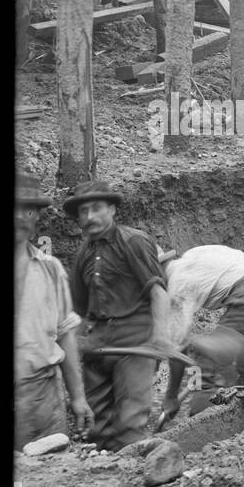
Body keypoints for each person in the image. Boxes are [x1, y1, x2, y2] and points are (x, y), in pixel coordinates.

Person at [65, 180, 170, 451]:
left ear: (112, 209)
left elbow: (157, 292)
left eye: (97, 208)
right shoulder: (83, 254)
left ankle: (137, 480)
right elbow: (78, 311)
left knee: (129, 422)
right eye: (83, 211)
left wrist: (160, 338)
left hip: (133, 343)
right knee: (97, 426)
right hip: (98, 346)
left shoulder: (133, 241)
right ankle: (105, 480)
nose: (89, 217)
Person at [157, 244, 244, 425]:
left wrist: (171, 397)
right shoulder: (192, 257)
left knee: (207, 358)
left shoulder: (178, 284)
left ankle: (201, 430)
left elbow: (177, 350)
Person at [15, 171, 91, 449]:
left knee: (49, 472)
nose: (20, 217)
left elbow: (65, 334)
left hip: (41, 394)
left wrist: (78, 398)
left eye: (29, 211)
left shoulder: (50, 268)